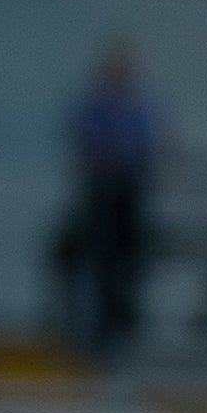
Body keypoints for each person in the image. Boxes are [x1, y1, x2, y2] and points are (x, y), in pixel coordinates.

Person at [58, 43, 155, 359]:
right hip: (101, 198)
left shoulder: (137, 112)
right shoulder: (94, 110)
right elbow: (88, 147)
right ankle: (98, 334)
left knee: (128, 266)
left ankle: (121, 328)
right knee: (101, 265)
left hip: (128, 197)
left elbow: (147, 149)